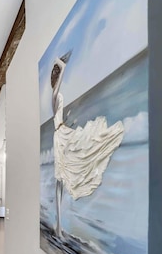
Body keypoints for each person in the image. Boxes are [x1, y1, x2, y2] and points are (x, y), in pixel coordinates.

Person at [51, 51, 124, 238]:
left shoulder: (58, 102)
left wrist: (61, 67)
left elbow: (56, 92)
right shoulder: (55, 99)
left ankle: (59, 225)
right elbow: (55, 89)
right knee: (60, 177)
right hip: (60, 135)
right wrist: (62, 68)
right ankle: (59, 225)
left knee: (64, 174)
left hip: (61, 135)